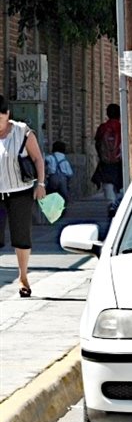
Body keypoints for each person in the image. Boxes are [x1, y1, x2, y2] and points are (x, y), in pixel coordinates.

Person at [0, 94, 46, 298]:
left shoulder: (22, 132)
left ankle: (23, 277)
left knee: (21, 236)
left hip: (20, 192)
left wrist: (41, 184)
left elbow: (37, 159)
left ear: (7, 114)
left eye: (0, 118)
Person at [93, 103, 123, 204]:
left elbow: (97, 143)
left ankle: (111, 203)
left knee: (107, 183)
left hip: (105, 161)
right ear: (120, 114)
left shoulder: (102, 128)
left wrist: (101, 155)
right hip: (119, 161)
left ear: (107, 114)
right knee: (120, 184)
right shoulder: (122, 127)